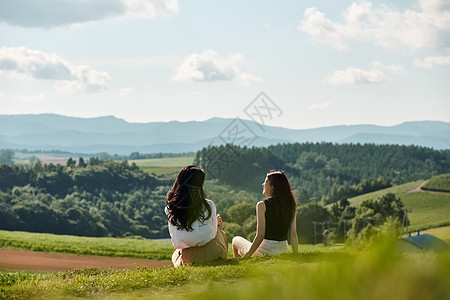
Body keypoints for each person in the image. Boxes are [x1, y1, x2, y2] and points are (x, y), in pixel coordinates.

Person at [165, 165, 228, 267]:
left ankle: (185, 263)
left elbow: (176, 240)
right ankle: (220, 259)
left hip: (188, 256)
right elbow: (211, 235)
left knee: (176, 253)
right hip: (211, 253)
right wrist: (216, 225)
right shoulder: (208, 205)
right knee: (220, 232)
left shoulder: (170, 208)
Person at [232, 170, 298, 258]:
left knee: (235, 239)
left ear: (272, 186)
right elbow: (293, 234)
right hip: (283, 250)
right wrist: (296, 255)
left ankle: (242, 264)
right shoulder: (291, 205)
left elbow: (260, 235)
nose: (263, 184)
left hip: (265, 250)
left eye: (265, 182)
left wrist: (247, 256)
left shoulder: (262, 205)